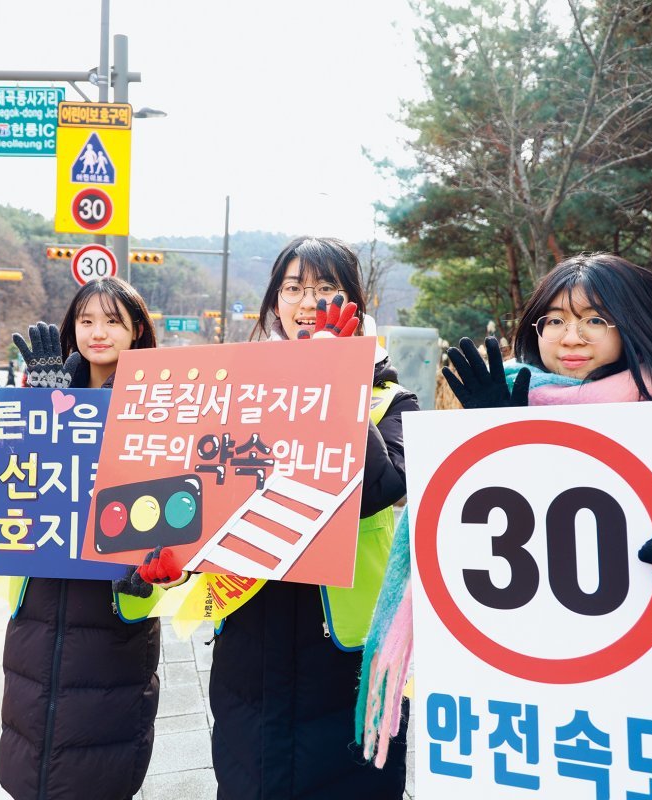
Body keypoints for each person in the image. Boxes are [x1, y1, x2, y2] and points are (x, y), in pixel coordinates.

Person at [443, 253, 652, 730]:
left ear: (633, 329)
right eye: (553, 320)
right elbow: (455, 575)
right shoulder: (492, 418)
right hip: (513, 719)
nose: (571, 337)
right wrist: (491, 442)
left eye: (596, 319)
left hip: (642, 731)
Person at [207, 237, 418, 799]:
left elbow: (379, 491)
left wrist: (336, 377)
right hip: (250, 637)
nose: (308, 302)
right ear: (274, 301)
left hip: (346, 651)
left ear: (354, 301)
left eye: (327, 288)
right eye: (294, 288)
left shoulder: (393, 403)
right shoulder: (234, 388)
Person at [0, 276, 175, 800]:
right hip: (38, 611)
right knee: (31, 755)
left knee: (98, 764)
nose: (98, 333)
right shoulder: (43, 390)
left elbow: (176, 507)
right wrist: (42, 409)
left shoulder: (160, 405)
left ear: (138, 329)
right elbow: (2, 480)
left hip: (113, 612)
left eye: (113, 321)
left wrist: (153, 570)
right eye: (86, 320)